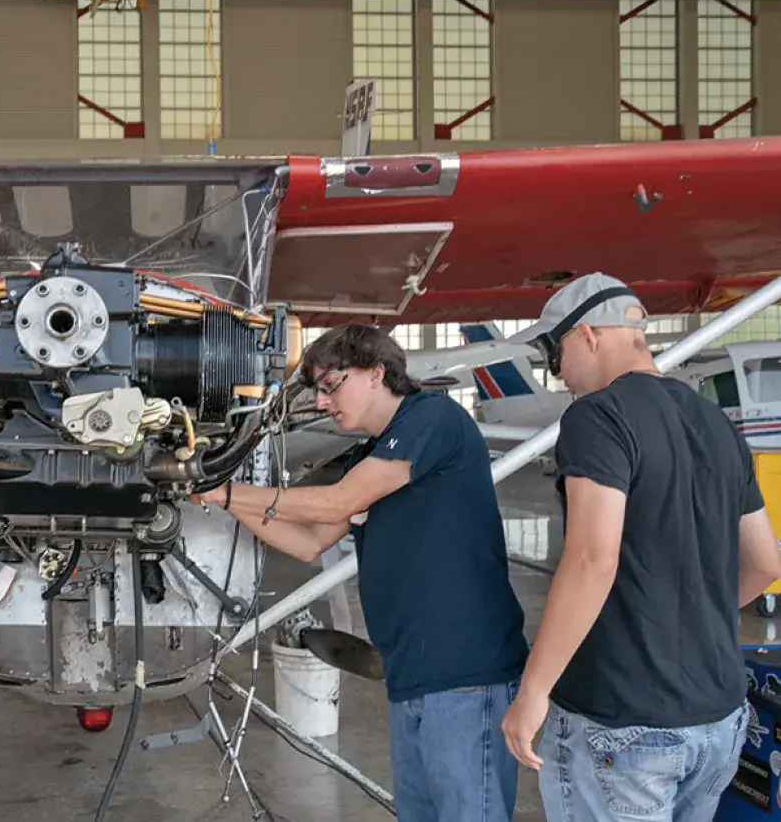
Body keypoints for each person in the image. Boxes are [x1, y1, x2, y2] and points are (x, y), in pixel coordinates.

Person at [192, 324, 528, 822]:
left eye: (332, 385)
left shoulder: (432, 419)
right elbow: (308, 541)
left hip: (465, 673)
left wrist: (225, 492)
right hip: (410, 674)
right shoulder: (367, 456)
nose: (324, 402)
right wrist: (218, 497)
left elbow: (338, 502)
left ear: (377, 373)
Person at [500, 272, 781, 821]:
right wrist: (688, 625)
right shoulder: (716, 423)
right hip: (718, 718)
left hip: (623, 722)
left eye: (554, 357)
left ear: (588, 335)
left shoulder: (598, 416)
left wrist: (533, 693)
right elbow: (765, 561)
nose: (557, 377)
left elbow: (591, 558)